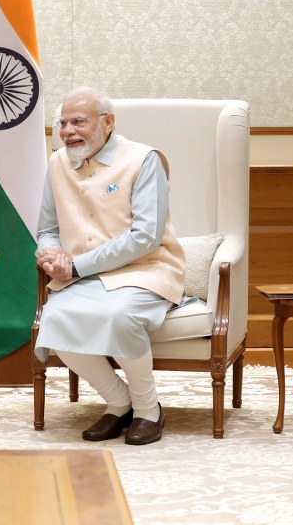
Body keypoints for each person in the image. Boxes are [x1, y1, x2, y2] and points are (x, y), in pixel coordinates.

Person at [34, 87, 185, 445]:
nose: (68, 131)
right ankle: (119, 403)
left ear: (108, 122)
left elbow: (145, 237)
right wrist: (50, 253)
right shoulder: (57, 163)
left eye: (79, 122)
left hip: (145, 270)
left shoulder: (143, 159)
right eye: (63, 123)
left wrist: (76, 266)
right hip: (83, 277)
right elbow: (47, 229)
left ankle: (148, 409)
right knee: (55, 320)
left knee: (120, 316)